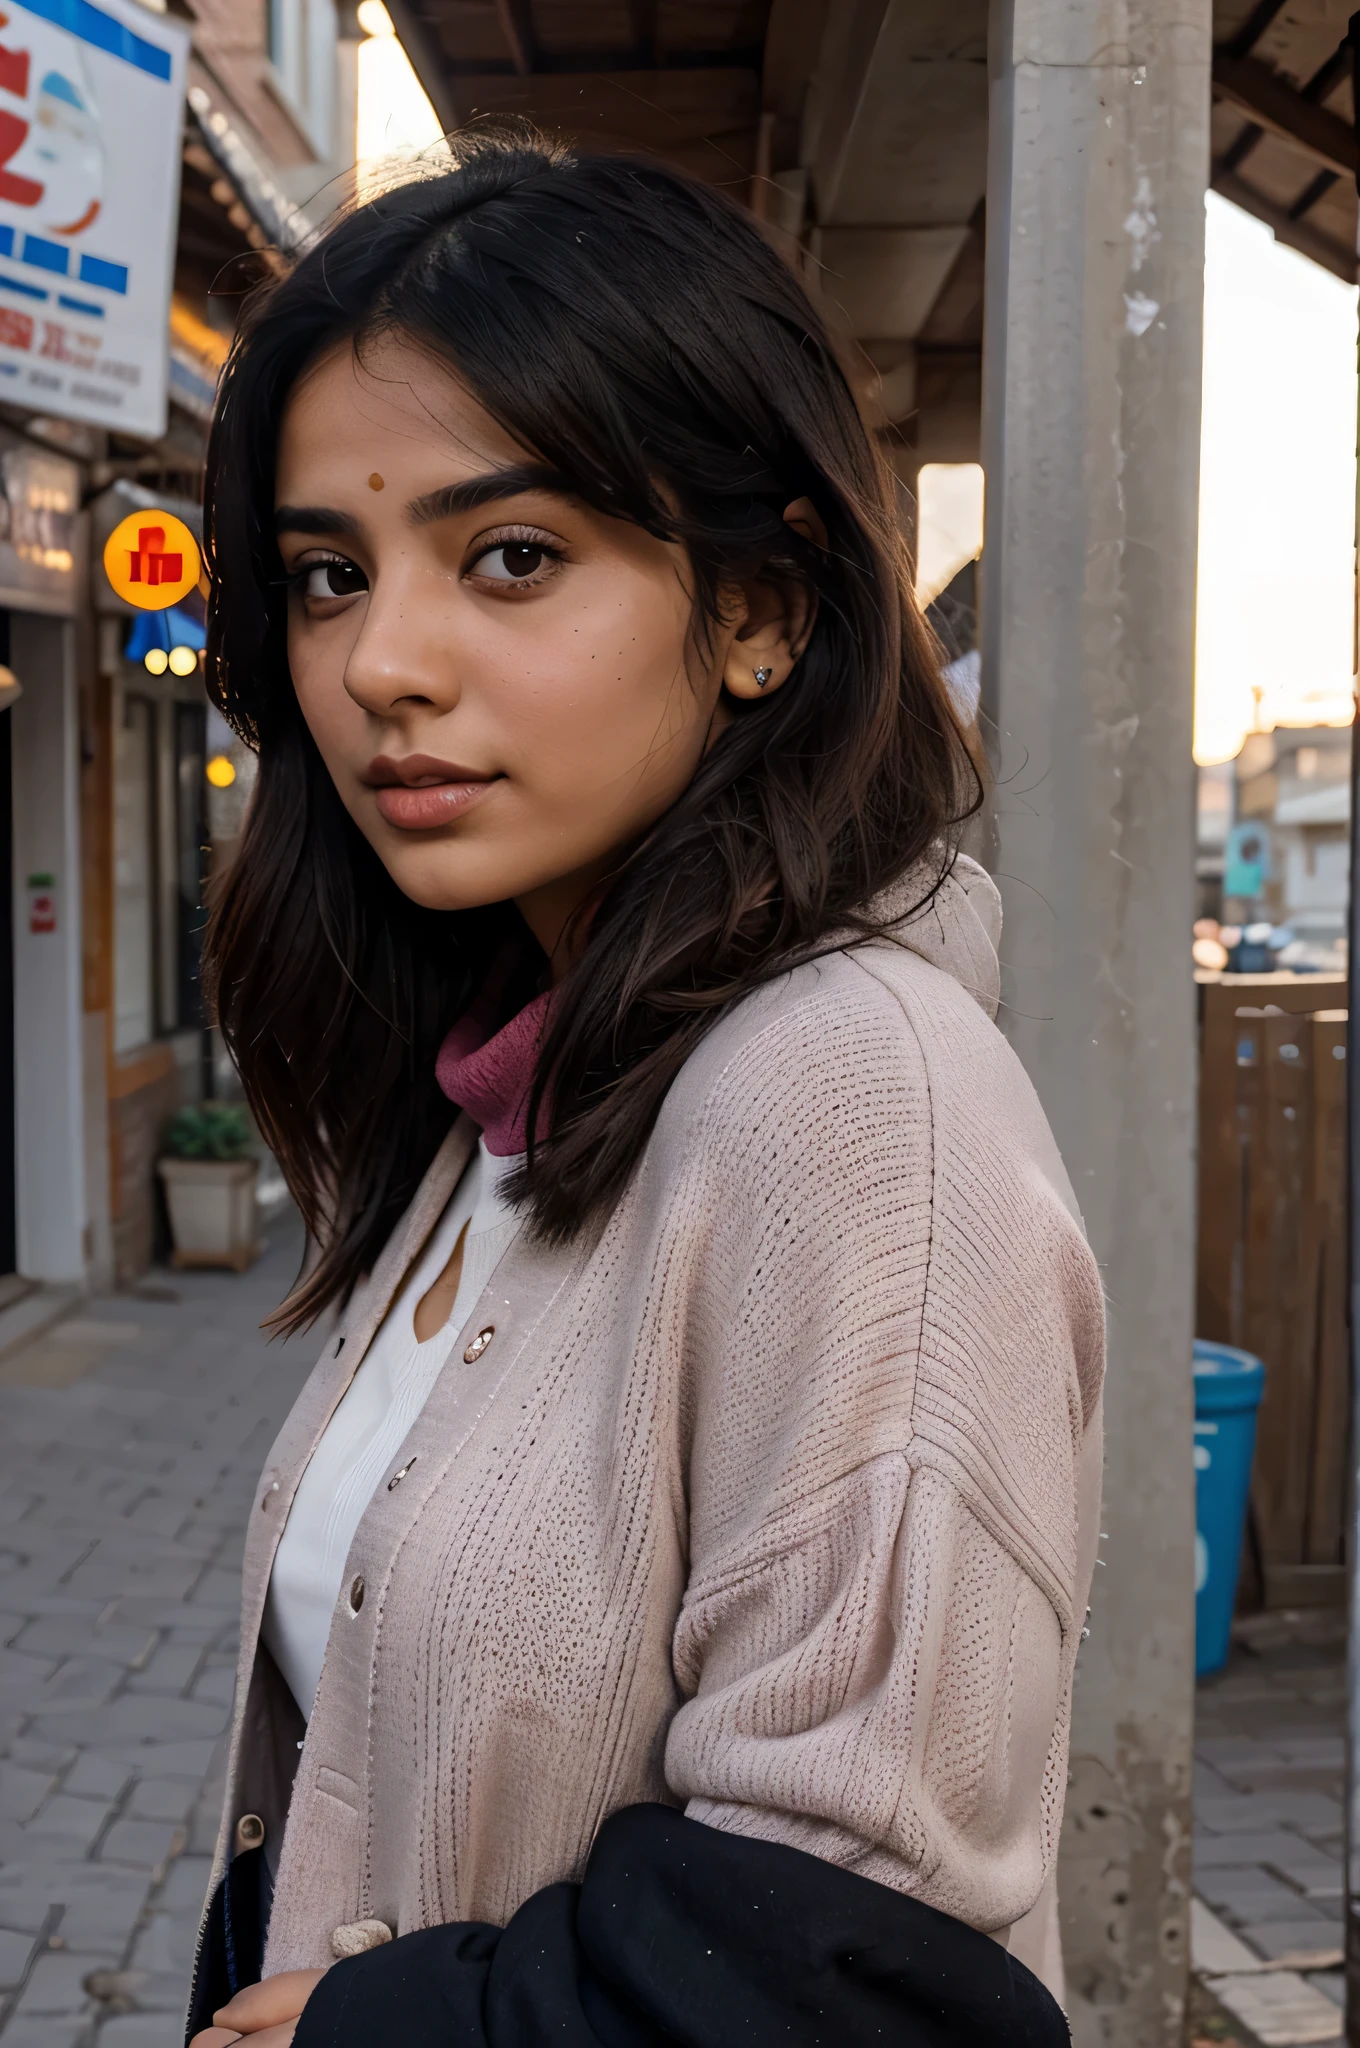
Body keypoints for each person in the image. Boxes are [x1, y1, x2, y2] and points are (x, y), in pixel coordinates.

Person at [186, 122, 1104, 2048]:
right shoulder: (510, 1075)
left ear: (764, 611)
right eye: (329, 575)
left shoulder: (855, 1101)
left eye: (510, 557)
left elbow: (859, 1951)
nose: (383, 666)